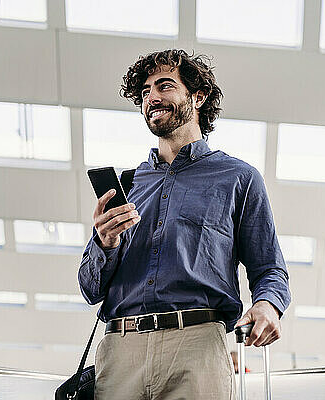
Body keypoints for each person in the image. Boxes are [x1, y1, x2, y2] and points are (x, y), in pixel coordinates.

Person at [78, 49, 291, 399]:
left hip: (197, 348)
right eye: (145, 92)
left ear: (198, 96)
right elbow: (89, 289)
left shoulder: (238, 178)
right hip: (120, 350)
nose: (152, 98)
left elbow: (269, 266)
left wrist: (268, 303)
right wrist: (105, 243)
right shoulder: (129, 186)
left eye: (164, 86)